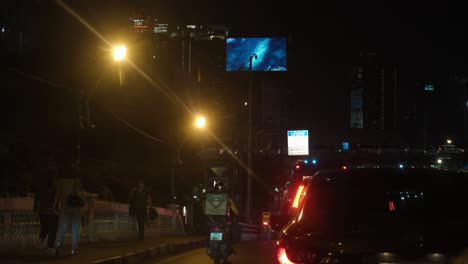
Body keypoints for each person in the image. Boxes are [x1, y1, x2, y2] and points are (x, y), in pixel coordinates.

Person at [54, 164, 85, 256]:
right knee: (75, 230)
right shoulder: (76, 182)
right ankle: (74, 250)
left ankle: (58, 246)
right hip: (76, 209)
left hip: (65, 208)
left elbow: (57, 195)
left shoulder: (61, 182)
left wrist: (54, 205)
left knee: (61, 229)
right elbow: (80, 196)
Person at [33, 154, 59, 255]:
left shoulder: (41, 186)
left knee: (44, 228)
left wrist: (35, 207)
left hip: (42, 211)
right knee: (53, 230)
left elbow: (37, 197)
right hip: (52, 212)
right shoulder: (55, 187)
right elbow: (56, 200)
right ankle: (50, 248)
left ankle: (39, 244)